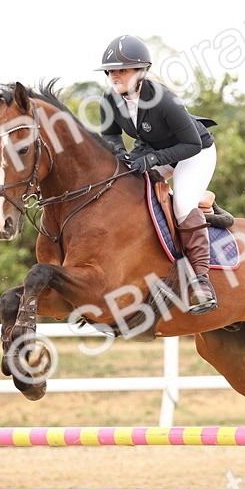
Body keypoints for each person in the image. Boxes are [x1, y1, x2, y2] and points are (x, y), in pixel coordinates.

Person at [96, 34, 219, 315]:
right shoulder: (109, 99)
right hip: (156, 149)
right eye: (111, 71)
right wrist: (120, 155)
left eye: (122, 70)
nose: (115, 76)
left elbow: (192, 144)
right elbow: (110, 134)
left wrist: (150, 160)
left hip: (194, 153)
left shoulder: (164, 100)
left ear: (141, 71)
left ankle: (201, 280)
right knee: (124, 188)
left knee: (182, 205)